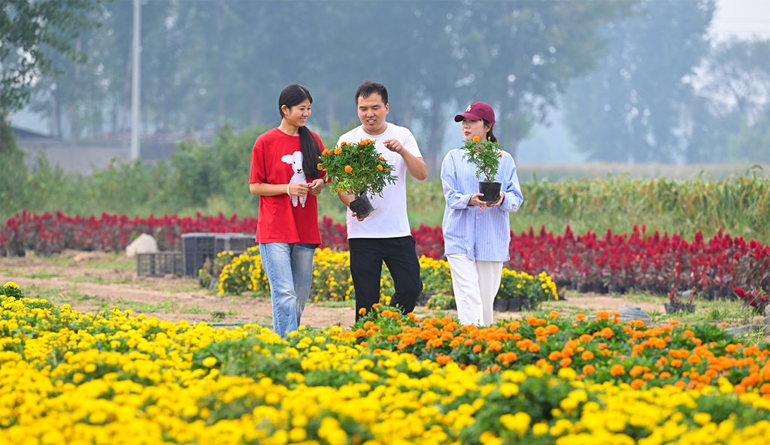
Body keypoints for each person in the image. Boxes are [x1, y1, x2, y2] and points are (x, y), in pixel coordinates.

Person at [336, 80, 428, 320]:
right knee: (366, 300)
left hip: (397, 231)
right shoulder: (347, 141)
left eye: (375, 107)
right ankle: (366, 346)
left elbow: (421, 174)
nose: (369, 114)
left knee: (411, 287)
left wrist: (402, 152)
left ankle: (389, 323)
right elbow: (341, 187)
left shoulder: (402, 135)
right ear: (357, 109)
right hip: (362, 233)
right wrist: (355, 205)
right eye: (363, 108)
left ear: (386, 108)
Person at [249, 84, 326, 337]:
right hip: (275, 230)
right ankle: (289, 345)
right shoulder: (265, 142)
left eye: (309, 109)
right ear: (285, 109)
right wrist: (287, 188)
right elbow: (255, 187)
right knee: (284, 292)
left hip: (304, 229)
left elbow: (325, 177)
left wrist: (319, 184)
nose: (306, 113)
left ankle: (284, 339)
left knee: (300, 295)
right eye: (302, 109)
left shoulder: (313, 141)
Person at [440, 101, 524, 326]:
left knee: (485, 303)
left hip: (492, 240)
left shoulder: (504, 160)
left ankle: (485, 347)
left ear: (487, 127)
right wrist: (469, 199)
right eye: (463, 122)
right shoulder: (453, 158)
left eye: (472, 121)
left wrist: (502, 198)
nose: (466, 126)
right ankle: (471, 343)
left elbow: (516, 199)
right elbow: (450, 196)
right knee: (469, 296)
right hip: (459, 238)